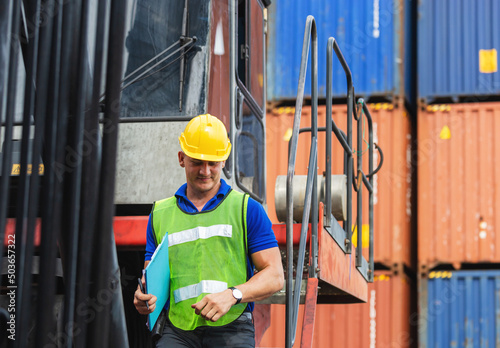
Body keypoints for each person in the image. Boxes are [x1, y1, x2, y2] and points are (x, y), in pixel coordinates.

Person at [134, 114, 284, 347]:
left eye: (212, 163)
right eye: (197, 162)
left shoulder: (247, 209)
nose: (205, 171)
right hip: (178, 329)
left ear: (224, 161)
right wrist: (144, 298)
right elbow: (150, 281)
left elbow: (275, 276)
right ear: (181, 158)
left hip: (232, 325)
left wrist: (232, 295)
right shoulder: (160, 213)